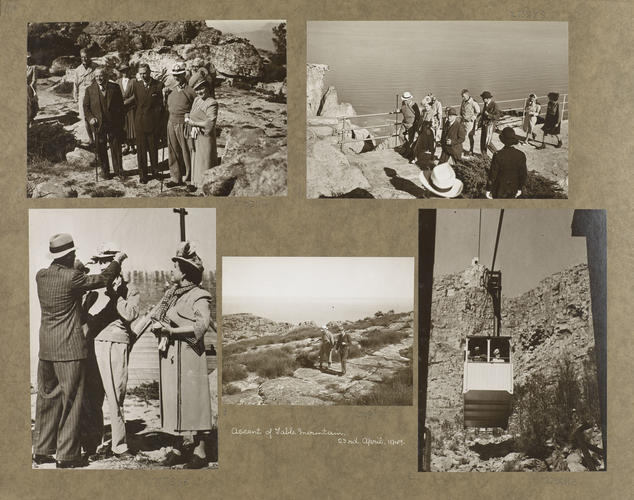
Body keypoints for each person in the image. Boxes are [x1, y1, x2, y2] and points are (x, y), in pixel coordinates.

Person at [32, 233, 126, 468]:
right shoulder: (73, 278)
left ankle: (42, 450)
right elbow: (103, 279)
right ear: (69, 256)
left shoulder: (41, 276)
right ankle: (67, 455)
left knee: (47, 399)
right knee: (72, 401)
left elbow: (71, 277)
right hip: (70, 351)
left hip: (47, 349)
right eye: (74, 254)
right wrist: (118, 260)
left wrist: (81, 266)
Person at [150, 242, 215, 469]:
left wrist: (172, 331)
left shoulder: (199, 296)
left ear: (185, 272)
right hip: (170, 356)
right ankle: (178, 447)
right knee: (173, 399)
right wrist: (159, 327)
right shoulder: (172, 295)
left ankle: (201, 451)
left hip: (189, 356)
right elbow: (160, 317)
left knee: (193, 400)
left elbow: (202, 325)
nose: (171, 270)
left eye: (175, 266)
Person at [84, 242, 140, 461]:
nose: (104, 265)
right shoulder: (94, 289)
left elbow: (131, 314)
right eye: (101, 261)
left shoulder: (129, 289)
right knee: (93, 397)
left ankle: (119, 445)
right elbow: (85, 317)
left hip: (117, 344)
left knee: (116, 395)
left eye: (107, 260)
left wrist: (115, 294)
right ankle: (91, 445)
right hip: (94, 345)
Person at [83, 67, 125, 179]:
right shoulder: (89, 90)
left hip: (113, 123)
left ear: (105, 76)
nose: (99, 78)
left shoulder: (115, 87)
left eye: (101, 75)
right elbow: (86, 107)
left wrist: (121, 123)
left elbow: (121, 106)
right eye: (96, 76)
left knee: (116, 147)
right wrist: (91, 118)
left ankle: (119, 170)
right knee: (101, 148)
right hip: (98, 124)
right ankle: (105, 171)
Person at [164, 62, 196, 189]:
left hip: (184, 124)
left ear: (184, 74)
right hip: (171, 122)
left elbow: (197, 106)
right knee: (173, 151)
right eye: (175, 74)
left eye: (179, 74)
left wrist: (190, 116)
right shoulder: (170, 88)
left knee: (186, 152)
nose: (177, 77)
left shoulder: (191, 89)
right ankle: (175, 178)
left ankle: (189, 179)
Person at [132, 63, 165, 184]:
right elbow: (136, 103)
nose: (143, 76)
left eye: (144, 73)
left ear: (150, 72)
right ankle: (143, 174)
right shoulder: (136, 85)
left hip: (153, 123)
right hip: (140, 122)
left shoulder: (158, 85)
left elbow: (160, 106)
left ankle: (155, 171)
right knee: (141, 151)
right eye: (140, 74)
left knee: (153, 148)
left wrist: (159, 124)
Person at [185, 76, 219, 190]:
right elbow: (192, 113)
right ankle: (195, 183)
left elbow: (210, 123)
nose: (199, 91)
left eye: (201, 88)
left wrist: (193, 123)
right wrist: (187, 116)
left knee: (205, 158)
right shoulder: (197, 100)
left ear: (207, 87)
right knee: (196, 158)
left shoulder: (212, 103)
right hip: (196, 135)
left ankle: (204, 185)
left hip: (205, 136)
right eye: (196, 89)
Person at [486, 127, 527, 199]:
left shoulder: (498, 155)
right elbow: (523, 174)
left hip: (499, 188)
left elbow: (493, 174)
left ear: (503, 140)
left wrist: (488, 189)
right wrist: (520, 188)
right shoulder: (521, 155)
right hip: (514, 188)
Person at [73, 49, 96, 144]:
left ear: (89, 56)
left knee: (95, 117)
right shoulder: (78, 70)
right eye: (82, 57)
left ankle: (98, 137)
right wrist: (75, 96)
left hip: (94, 96)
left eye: (86, 56)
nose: (84, 59)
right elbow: (75, 85)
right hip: (83, 97)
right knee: (86, 119)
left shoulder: (95, 67)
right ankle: (91, 140)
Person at [117, 64, 137, 155]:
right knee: (124, 127)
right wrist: (120, 103)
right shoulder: (117, 82)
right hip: (121, 108)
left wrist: (128, 101)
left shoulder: (133, 81)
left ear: (128, 71)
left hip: (131, 107)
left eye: (125, 71)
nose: (124, 73)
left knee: (131, 127)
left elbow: (136, 94)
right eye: (122, 71)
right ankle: (126, 146)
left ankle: (133, 146)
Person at [478, 91, 501, 158]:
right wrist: (480, 123)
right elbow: (483, 115)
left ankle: (497, 154)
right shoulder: (486, 103)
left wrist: (488, 115)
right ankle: (484, 155)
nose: (482, 99)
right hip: (484, 125)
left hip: (490, 126)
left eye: (483, 98)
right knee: (482, 141)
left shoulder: (494, 105)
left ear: (487, 98)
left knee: (487, 142)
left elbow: (497, 116)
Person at [459, 89, 480, 155]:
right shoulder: (463, 101)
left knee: (469, 136)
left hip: (470, 123)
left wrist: (472, 118)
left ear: (467, 95)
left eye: (463, 96)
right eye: (462, 96)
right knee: (462, 135)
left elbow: (478, 111)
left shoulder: (473, 102)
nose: (462, 97)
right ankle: (461, 149)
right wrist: (461, 115)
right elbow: (461, 109)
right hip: (463, 121)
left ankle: (471, 150)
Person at [400, 92, 420, 157]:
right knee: (400, 135)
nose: (405, 101)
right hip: (404, 122)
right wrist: (399, 110)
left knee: (411, 139)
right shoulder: (403, 103)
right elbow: (404, 109)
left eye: (406, 100)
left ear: (409, 99)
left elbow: (418, 115)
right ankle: (407, 147)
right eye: (404, 100)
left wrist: (416, 124)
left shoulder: (414, 105)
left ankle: (409, 152)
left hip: (411, 124)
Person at [27, 52, 38, 127]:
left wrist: (30, 86)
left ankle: (30, 119)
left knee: (31, 104)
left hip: (30, 88)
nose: (27, 60)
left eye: (28, 58)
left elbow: (34, 79)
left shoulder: (33, 67)